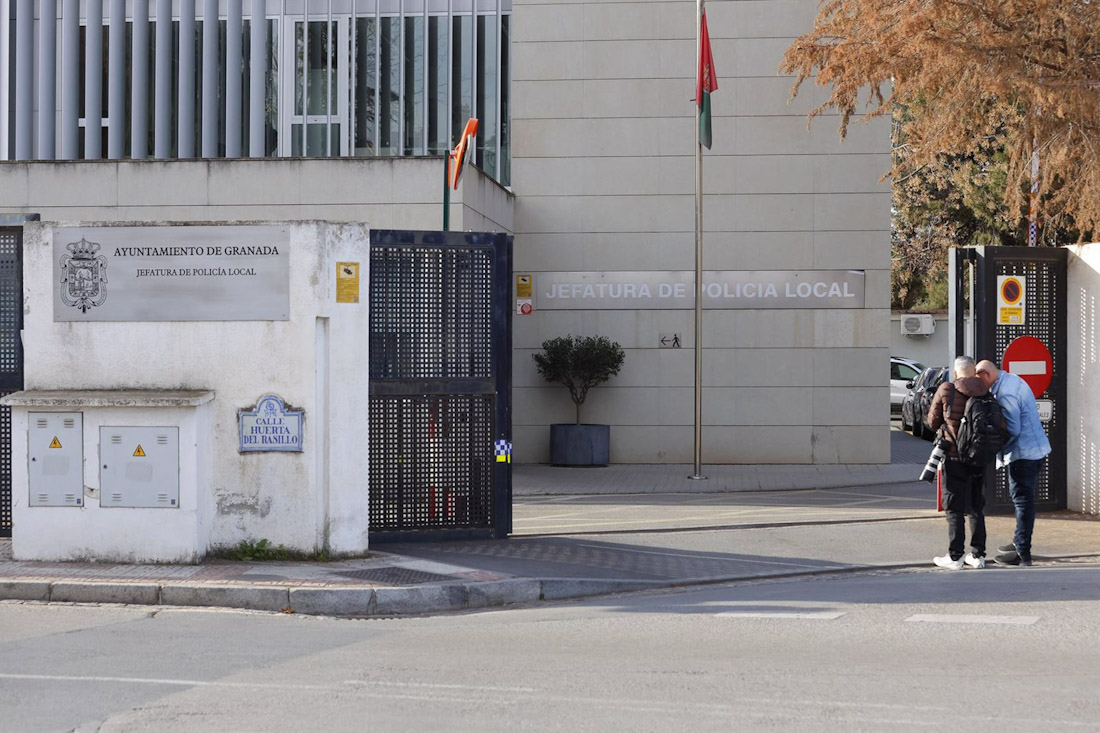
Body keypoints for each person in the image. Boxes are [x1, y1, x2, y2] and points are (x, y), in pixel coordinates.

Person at [975, 359, 1052, 566]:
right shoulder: (1012, 380)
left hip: (1023, 453)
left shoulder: (1006, 393)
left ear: (987, 375)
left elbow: (1013, 429)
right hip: (1035, 449)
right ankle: (1020, 542)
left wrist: (993, 447)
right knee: (1023, 499)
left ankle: (1022, 551)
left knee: (1022, 500)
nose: (980, 386)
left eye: (980, 380)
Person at [926, 356, 989, 570]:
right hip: (978, 458)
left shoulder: (947, 389)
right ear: (973, 372)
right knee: (976, 507)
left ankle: (955, 557)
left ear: (955, 373)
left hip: (953, 457)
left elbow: (932, 421)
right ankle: (978, 555)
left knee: (954, 508)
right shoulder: (986, 390)